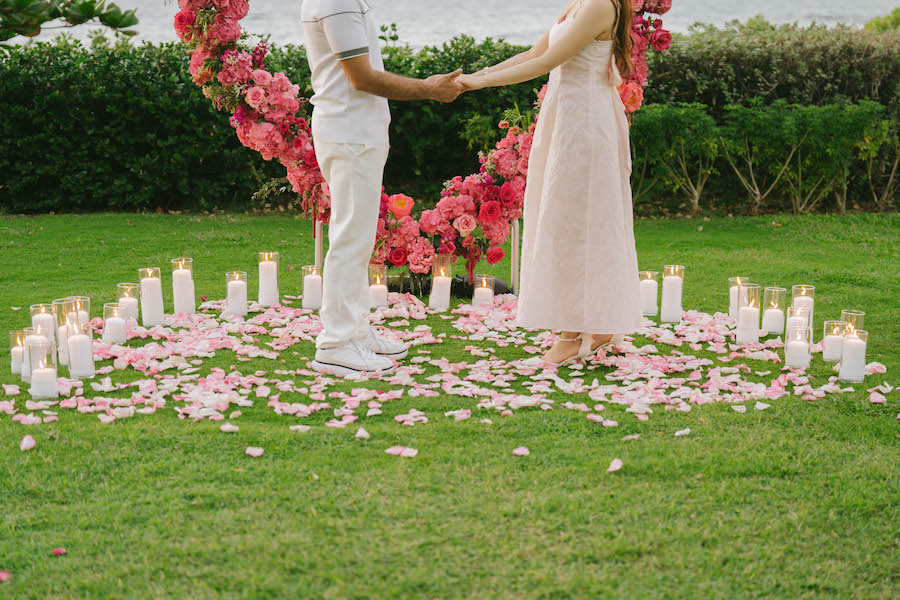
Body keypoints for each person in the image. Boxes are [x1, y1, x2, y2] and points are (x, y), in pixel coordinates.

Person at [459, 0, 641, 366]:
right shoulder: (578, 3)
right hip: (566, 118)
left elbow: (546, 63)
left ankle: (576, 333)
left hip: (585, 122)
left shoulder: (599, 5)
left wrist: (478, 82)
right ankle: (592, 323)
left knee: (578, 220)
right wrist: (475, 77)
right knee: (565, 216)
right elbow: (535, 51)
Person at [301, 0, 466, 376]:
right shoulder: (335, 1)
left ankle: (355, 330)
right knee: (349, 239)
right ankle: (335, 343)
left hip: (358, 132)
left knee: (357, 239)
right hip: (350, 133)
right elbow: (363, 77)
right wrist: (429, 89)